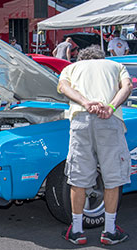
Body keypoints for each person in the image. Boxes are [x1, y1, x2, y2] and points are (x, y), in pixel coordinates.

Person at [58, 45, 132, 245]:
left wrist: (86, 102)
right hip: (110, 119)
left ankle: (77, 231)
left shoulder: (71, 68)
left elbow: (64, 88)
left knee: (78, 177)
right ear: (102, 57)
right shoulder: (116, 65)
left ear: (81, 58)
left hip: (81, 119)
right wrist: (110, 106)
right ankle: (109, 231)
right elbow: (127, 87)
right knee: (112, 177)